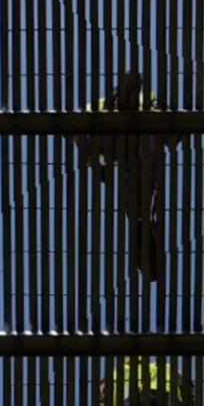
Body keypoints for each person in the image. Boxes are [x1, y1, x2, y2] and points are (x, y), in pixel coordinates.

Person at [73, 70, 180, 282]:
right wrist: (94, 163)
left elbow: (170, 130)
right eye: (126, 89)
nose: (129, 93)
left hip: (138, 145)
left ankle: (141, 216)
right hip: (116, 142)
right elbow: (78, 131)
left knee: (148, 149)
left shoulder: (148, 101)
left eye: (133, 89)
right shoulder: (101, 105)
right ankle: (141, 215)